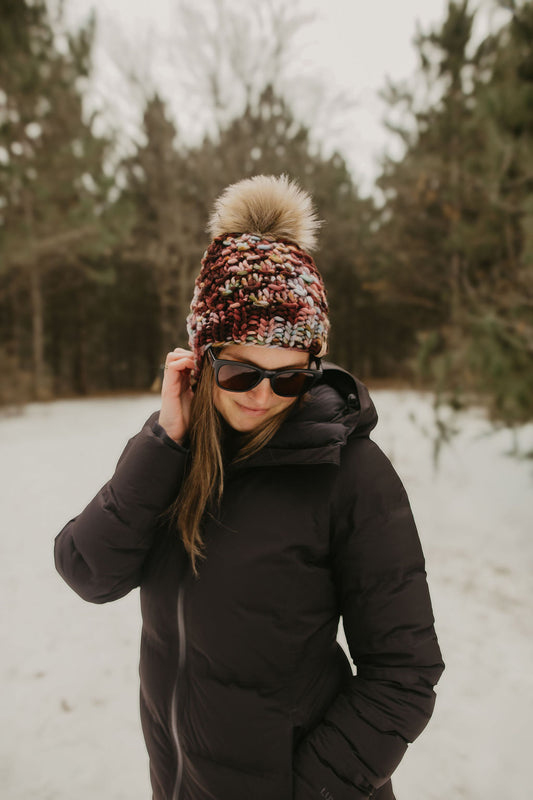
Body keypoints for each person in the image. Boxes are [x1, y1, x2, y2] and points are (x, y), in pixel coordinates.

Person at [54, 174, 444, 800]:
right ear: (202, 358)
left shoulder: (351, 473)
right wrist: (163, 443)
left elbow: (406, 672)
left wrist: (306, 788)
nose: (263, 395)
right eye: (240, 371)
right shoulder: (172, 456)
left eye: (288, 378)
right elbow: (88, 572)